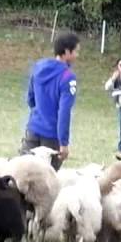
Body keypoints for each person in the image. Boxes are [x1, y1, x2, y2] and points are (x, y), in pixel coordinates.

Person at [20, 32, 80, 170]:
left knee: (23, 173)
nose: (77, 55)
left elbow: (30, 98)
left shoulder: (39, 66)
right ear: (66, 52)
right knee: (46, 183)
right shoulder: (68, 77)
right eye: (76, 51)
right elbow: (64, 112)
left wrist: (39, 113)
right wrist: (64, 143)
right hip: (52, 136)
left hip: (33, 129)